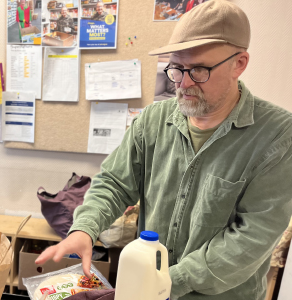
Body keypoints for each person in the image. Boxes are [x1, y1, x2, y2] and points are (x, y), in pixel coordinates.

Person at [36, 1, 292, 300]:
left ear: (240, 63)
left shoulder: (278, 135)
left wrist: (164, 282)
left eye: (198, 70)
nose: (182, 84)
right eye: (175, 68)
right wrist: (84, 229)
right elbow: (115, 183)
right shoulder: (154, 119)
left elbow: (251, 238)